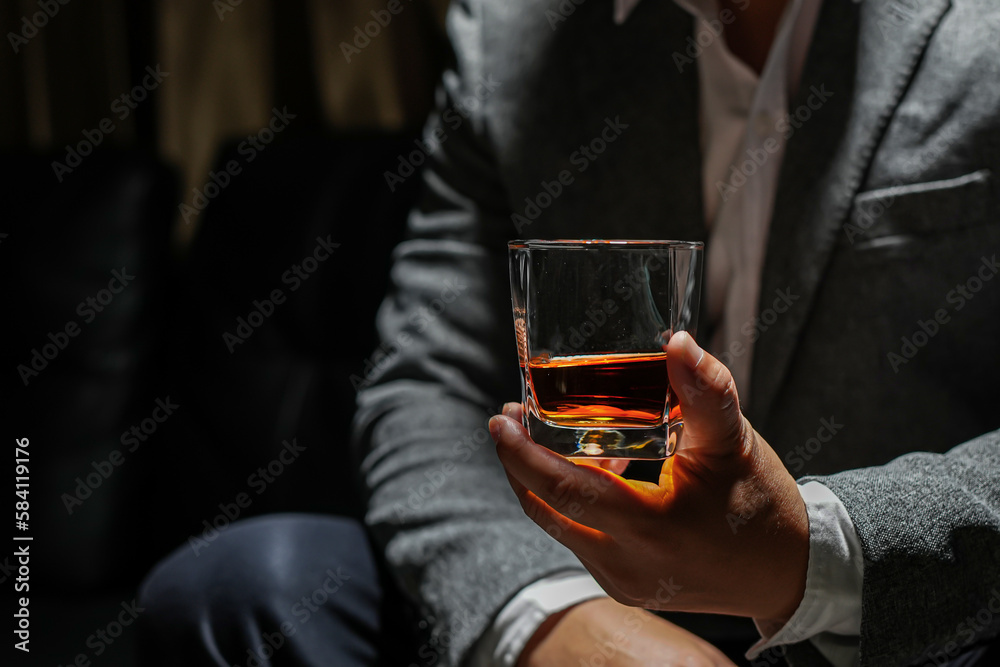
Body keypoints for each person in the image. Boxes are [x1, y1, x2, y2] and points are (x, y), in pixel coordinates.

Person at [138, 0, 1000, 665]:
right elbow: (429, 385)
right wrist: (547, 615)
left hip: (907, 615)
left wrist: (814, 555)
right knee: (240, 586)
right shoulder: (512, 31)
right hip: (589, 597)